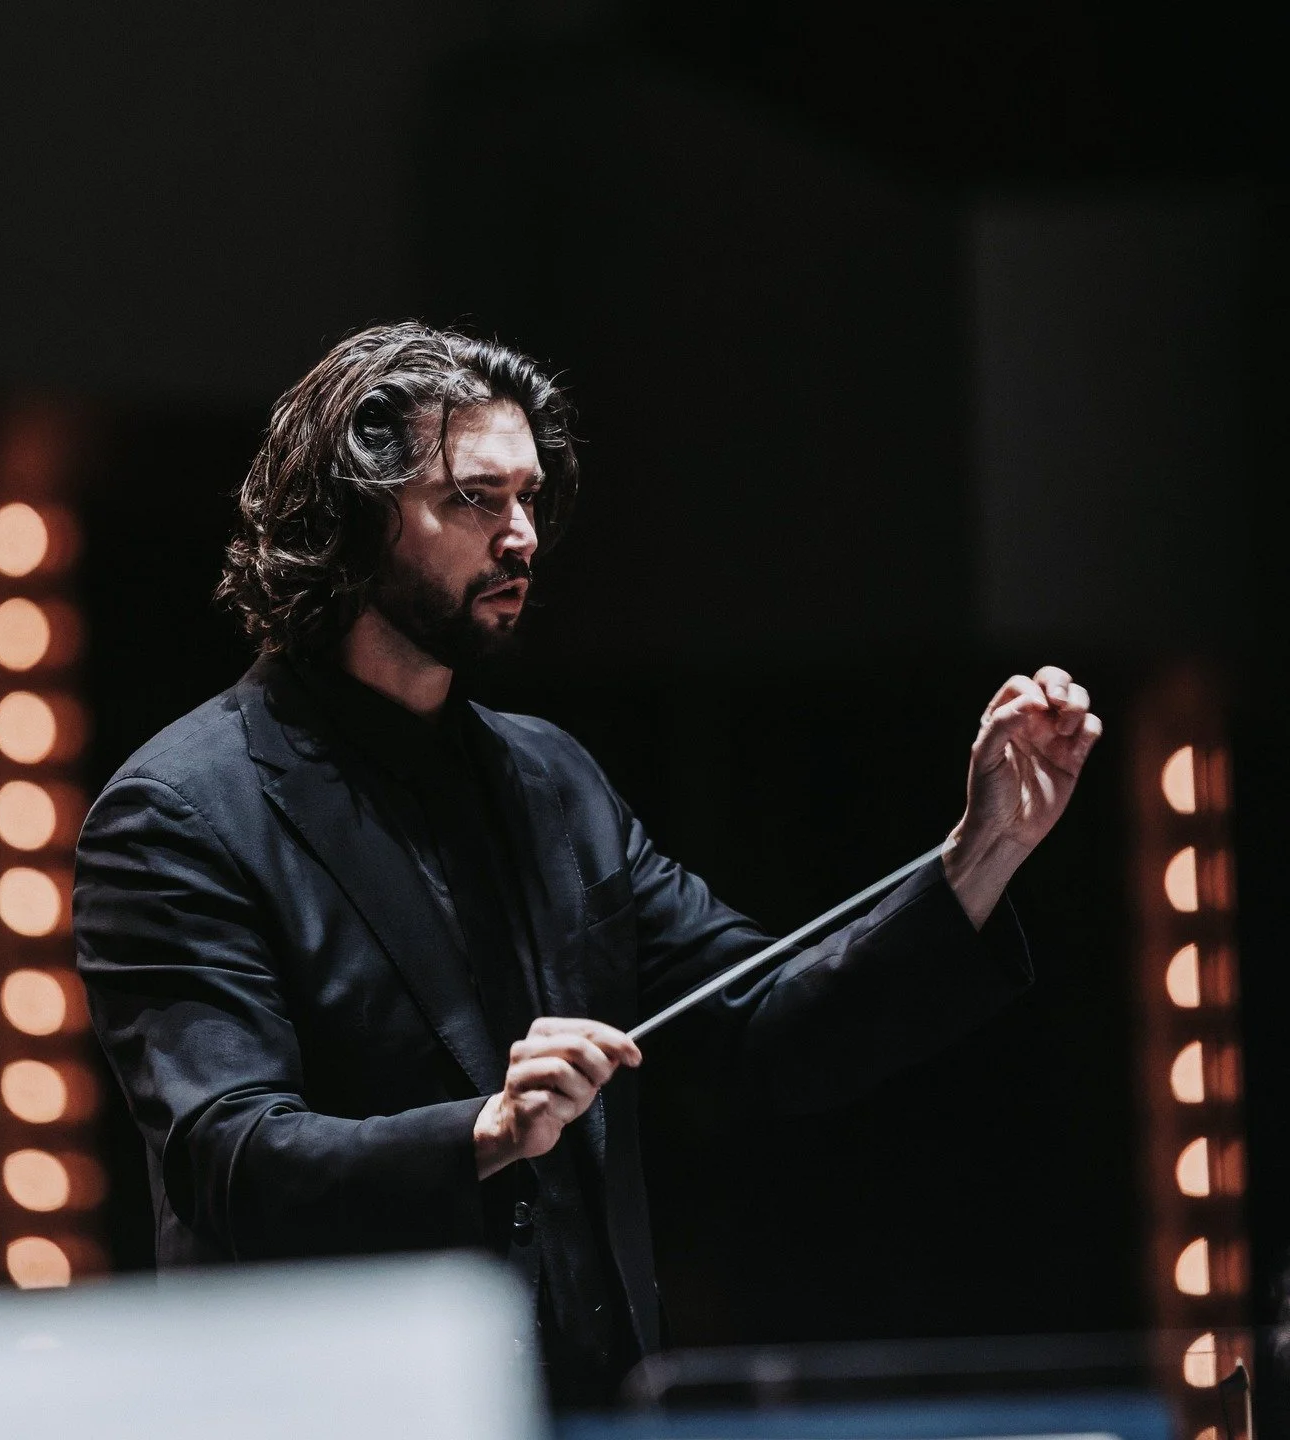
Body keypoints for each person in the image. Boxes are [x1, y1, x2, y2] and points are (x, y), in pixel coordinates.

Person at [73, 322, 1102, 1407]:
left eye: (529, 499)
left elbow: (760, 1033)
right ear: (352, 521)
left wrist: (983, 851)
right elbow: (231, 1160)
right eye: (475, 499)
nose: (520, 536)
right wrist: (483, 1131)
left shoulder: (550, 783)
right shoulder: (181, 812)